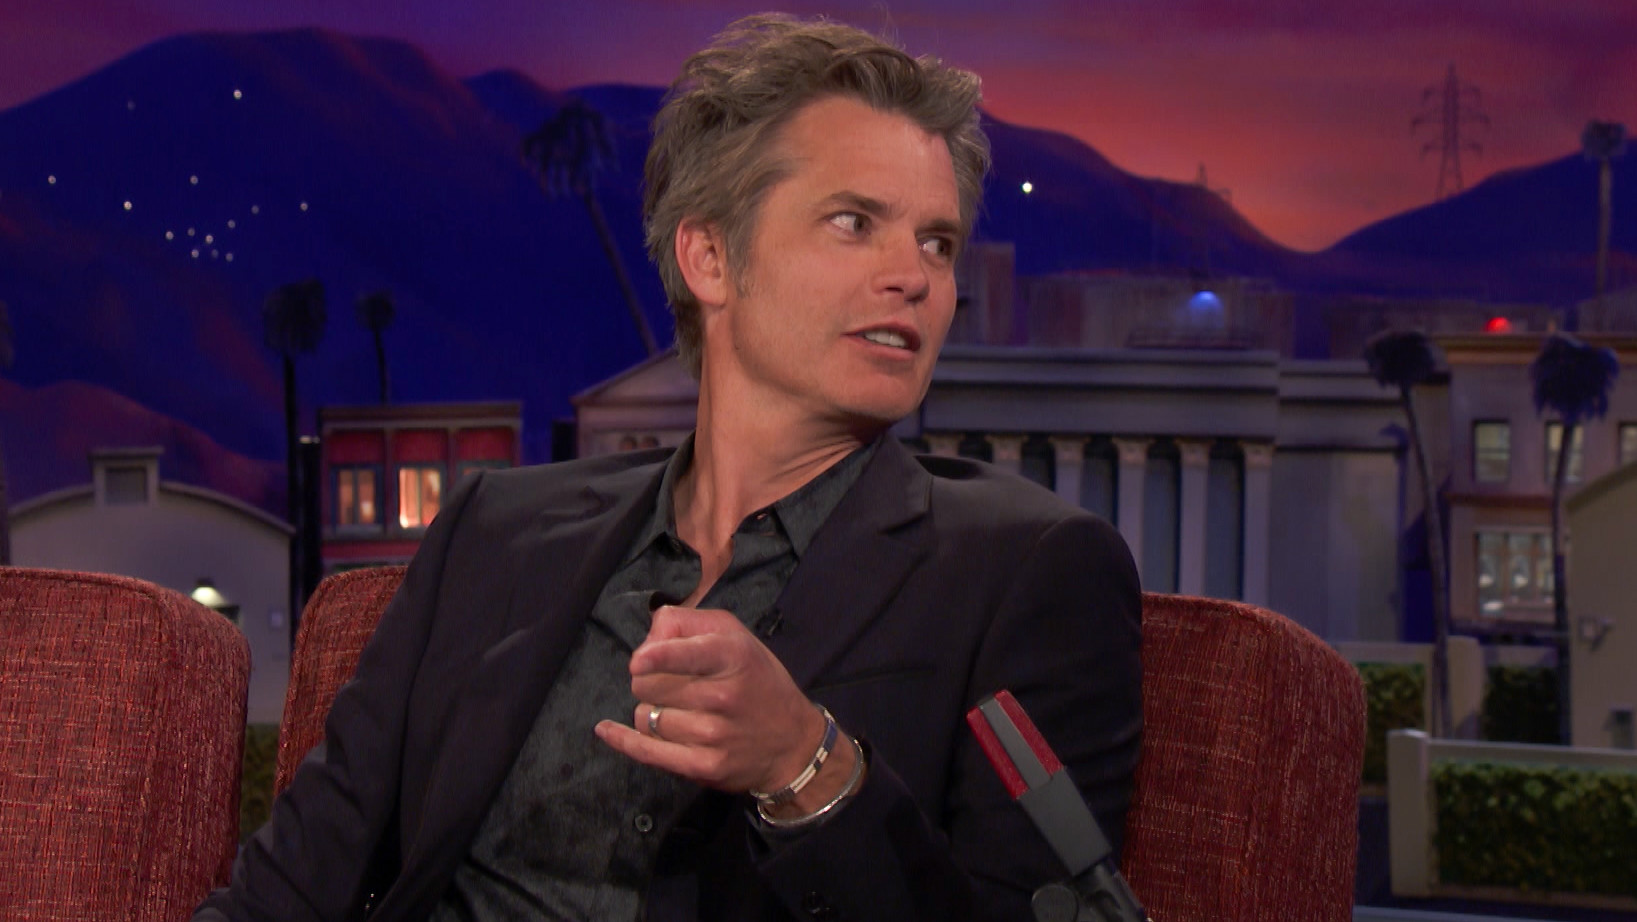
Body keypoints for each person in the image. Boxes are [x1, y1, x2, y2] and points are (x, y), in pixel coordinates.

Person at [196, 13, 1140, 922]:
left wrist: (806, 768)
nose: (915, 276)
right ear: (710, 257)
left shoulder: (1029, 572)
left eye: (937, 241)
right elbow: (289, 889)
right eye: (854, 222)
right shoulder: (494, 531)